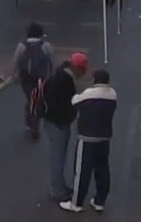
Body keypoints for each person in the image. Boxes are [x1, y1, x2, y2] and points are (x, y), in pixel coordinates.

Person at [59, 70, 118, 213]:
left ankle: (76, 203)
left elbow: (74, 101)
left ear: (94, 80)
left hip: (87, 138)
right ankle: (100, 201)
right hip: (104, 138)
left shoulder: (89, 94)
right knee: (102, 170)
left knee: (82, 172)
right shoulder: (112, 95)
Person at [42, 53, 88, 202]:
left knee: (58, 157)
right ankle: (58, 191)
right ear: (78, 68)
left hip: (51, 120)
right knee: (58, 158)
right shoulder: (65, 81)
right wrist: (70, 116)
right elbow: (66, 103)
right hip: (58, 123)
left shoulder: (59, 75)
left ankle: (60, 186)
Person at [13, 22, 54, 140]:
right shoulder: (46, 46)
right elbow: (51, 61)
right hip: (41, 78)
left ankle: (30, 122)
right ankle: (35, 124)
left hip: (26, 78)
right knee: (38, 99)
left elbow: (16, 62)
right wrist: (51, 74)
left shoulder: (21, 46)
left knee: (30, 98)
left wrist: (15, 76)